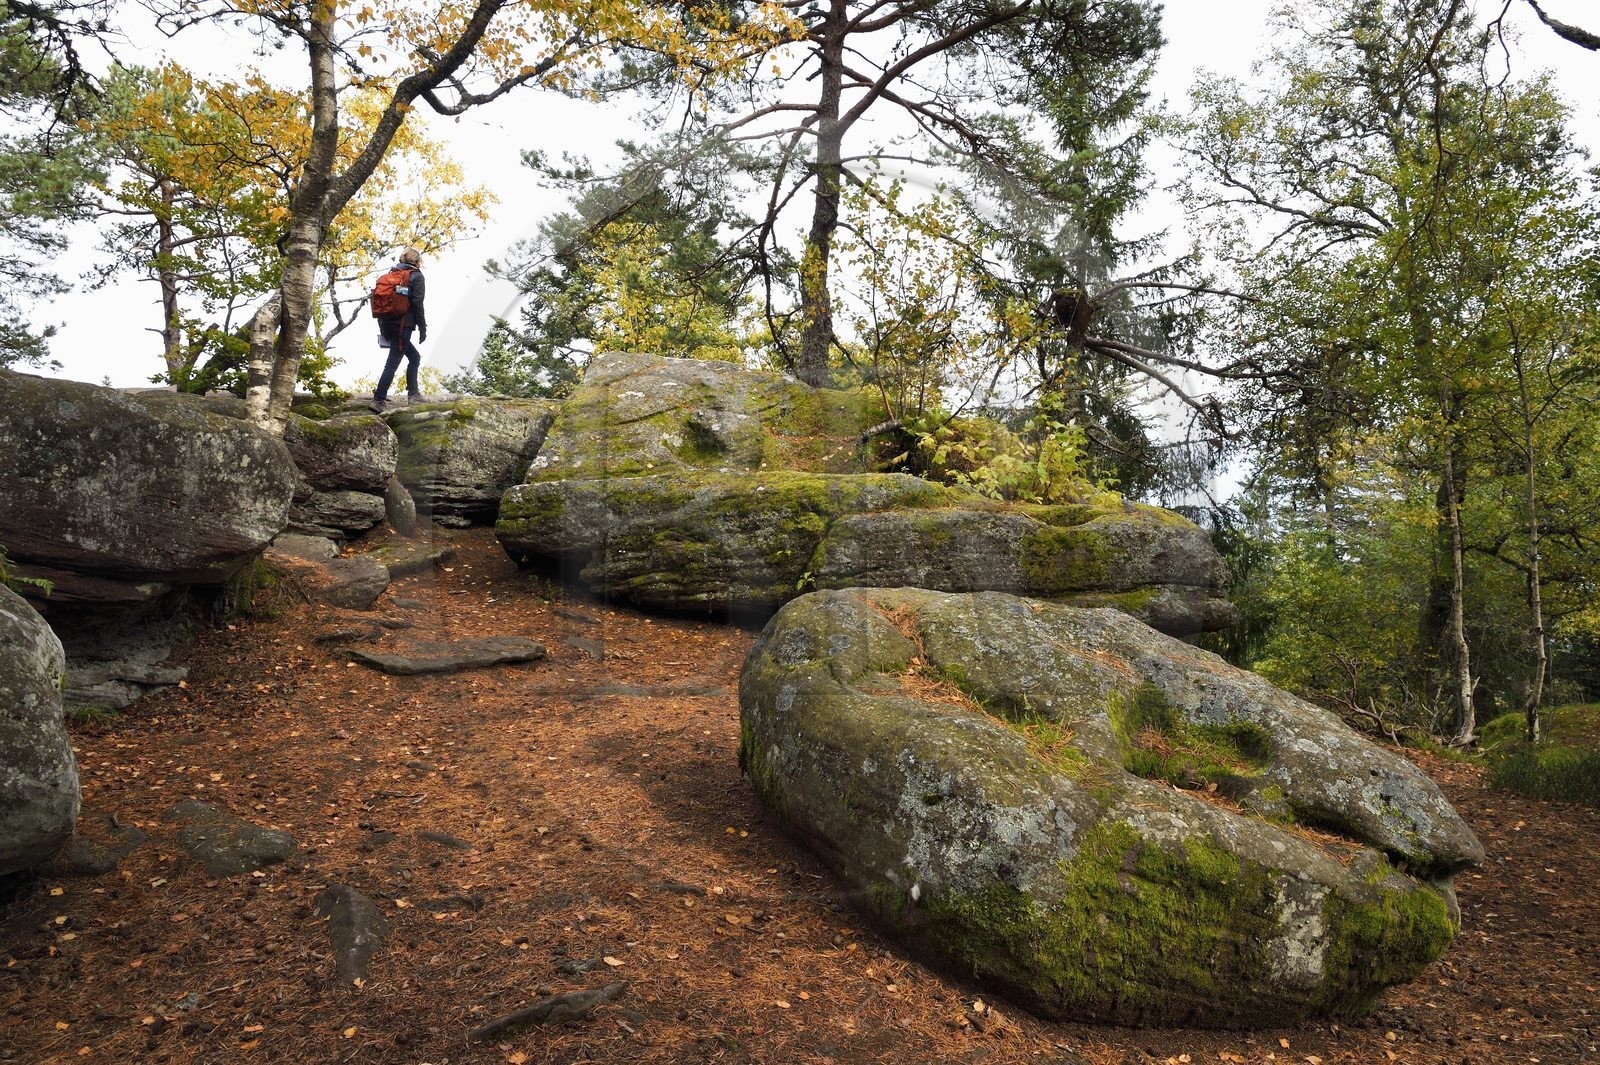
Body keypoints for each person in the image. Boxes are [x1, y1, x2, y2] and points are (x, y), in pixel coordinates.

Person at [371, 248, 427, 412]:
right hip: (403, 325)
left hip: (386, 324)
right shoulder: (416, 276)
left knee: (414, 357)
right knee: (392, 363)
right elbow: (417, 304)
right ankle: (378, 400)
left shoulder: (392, 274)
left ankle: (413, 394)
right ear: (417, 262)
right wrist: (423, 328)